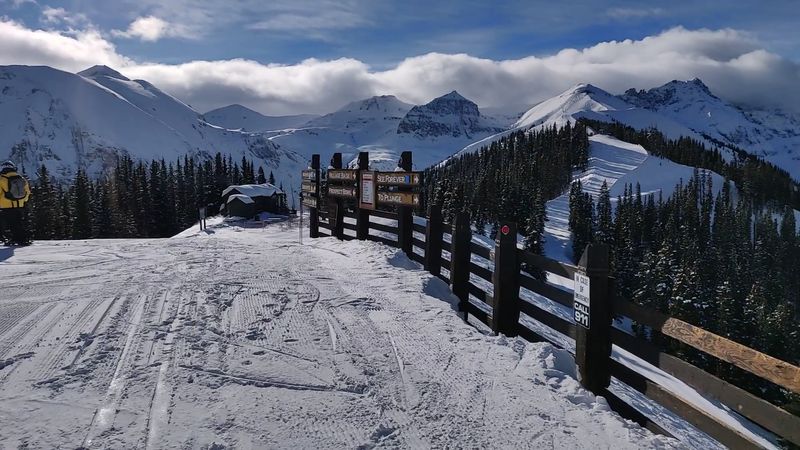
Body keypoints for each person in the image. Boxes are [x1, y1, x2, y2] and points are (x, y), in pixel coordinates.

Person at [0, 160, 32, 245]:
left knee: (12, 224)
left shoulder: (2, 179)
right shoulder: (22, 178)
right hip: (20, 205)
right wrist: (22, 201)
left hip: (7, 206)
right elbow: (27, 192)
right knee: (18, 222)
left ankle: (19, 239)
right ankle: (21, 238)